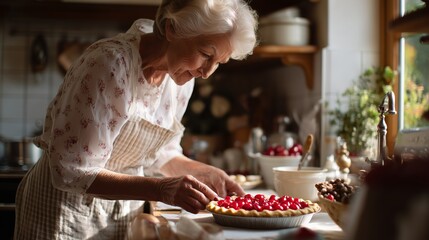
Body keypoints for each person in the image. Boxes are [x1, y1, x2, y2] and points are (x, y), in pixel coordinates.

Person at [14, 0, 258, 239]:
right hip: (64, 214)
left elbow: (161, 154)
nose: (207, 72)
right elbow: (71, 171)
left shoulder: (180, 80)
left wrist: (206, 173)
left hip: (119, 216)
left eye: (219, 63)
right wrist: (161, 189)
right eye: (206, 54)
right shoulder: (110, 64)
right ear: (172, 29)